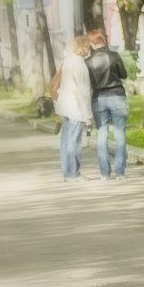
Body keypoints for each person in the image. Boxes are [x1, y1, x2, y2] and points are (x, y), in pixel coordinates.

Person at [85, 28, 128, 180]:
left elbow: (88, 83)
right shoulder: (114, 56)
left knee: (102, 135)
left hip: (99, 98)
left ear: (91, 43)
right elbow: (124, 74)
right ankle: (120, 173)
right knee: (120, 134)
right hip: (117, 95)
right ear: (103, 39)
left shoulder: (88, 62)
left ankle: (104, 173)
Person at [55, 36, 93, 182]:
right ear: (83, 47)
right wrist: (87, 114)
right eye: (87, 47)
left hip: (64, 106)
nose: (88, 50)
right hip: (75, 108)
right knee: (74, 142)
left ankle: (66, 173)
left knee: (65, 141)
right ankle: (74, 173)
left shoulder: (68, 61)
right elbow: (83, 92)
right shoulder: (80, 65)